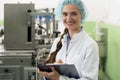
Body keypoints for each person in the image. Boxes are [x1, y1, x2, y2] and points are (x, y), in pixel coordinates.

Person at [38, 0, 99, 80]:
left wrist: (59, 78)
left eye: (73, 14)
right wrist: (50, 73)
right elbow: (49, 76)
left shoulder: (90, 45)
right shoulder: (57, 41)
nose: (68, 18)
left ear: (82, 15)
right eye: (65, 14)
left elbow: (90, 79)